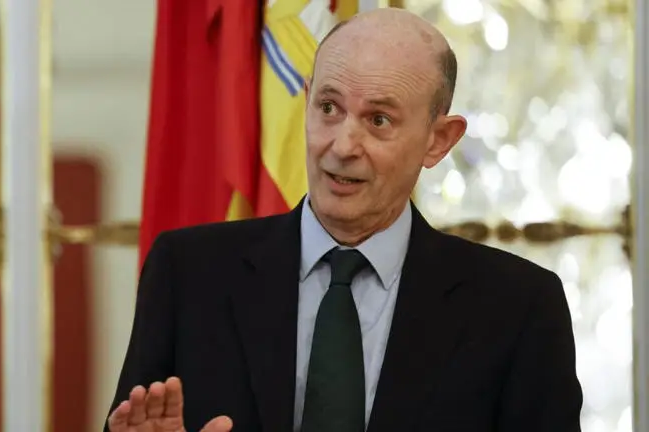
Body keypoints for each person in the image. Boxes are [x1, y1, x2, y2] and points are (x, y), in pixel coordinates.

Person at [105, 7, 583, 432]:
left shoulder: (518, 308)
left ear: (438, 140)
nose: (342, 145)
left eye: (378, 120)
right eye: (329, 108)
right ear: (307, 101)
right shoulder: (188, 272)